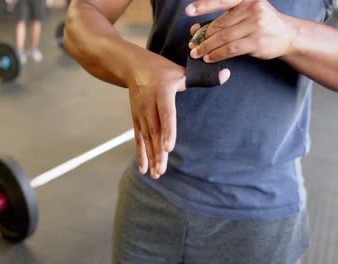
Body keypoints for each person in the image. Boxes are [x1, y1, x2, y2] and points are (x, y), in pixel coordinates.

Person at [64, 0, 338, 263]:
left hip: (259, 217)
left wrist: (291, 35)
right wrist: (133, 64)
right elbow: (83, 16)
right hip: (152, 193)